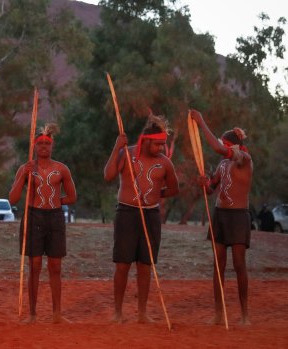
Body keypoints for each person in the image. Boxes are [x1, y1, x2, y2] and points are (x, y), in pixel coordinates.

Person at [103, 113, 179, 323]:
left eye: (163, 144)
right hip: (127, 213)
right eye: (157, 144)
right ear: (145, 141)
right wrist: (117, 147)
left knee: (145, 265)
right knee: (122, 264)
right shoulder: (126, 154)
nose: (161, 149)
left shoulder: (164, 163)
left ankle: (142, 313)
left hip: (151, 215)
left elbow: (174, 188)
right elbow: (108, 175)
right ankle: (118, 313)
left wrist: (155, 195)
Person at [9, 123, 77, 324]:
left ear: (52, 145)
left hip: (55, 218)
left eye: (48, 143)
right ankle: (32, 314)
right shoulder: (26, 168)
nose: (44, 147)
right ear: (34, 146)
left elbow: (72, 196)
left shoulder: (61, 169)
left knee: (55, 266)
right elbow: (12, 199)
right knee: (35, 265)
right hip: (33, 217)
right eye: (40, 144)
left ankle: (57, 314)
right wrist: (23, 175)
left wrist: (57, 202)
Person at [190, 109, 253, 326]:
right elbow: (211, 189)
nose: (222, 149)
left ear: (232, 146)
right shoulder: (223, 164)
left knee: (238, 264)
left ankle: (245, 315)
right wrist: (204, 183)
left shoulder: (244, 159)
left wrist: (201, 121)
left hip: (238, 217)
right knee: (219, 265)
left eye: (224, 145)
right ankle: (218, 313)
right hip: (221, 215)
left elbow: (217, 148)